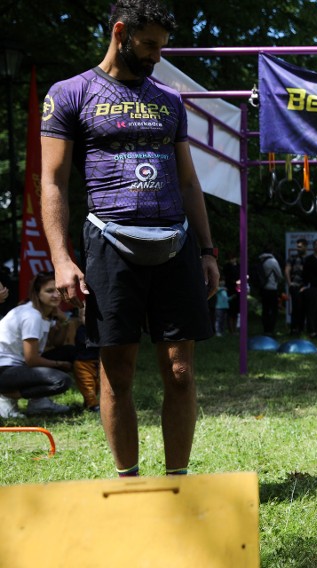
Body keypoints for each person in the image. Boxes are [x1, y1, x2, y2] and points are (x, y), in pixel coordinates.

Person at [40, 0, 218, 477]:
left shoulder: (170, 100)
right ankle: (129, 486)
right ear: (121, 32)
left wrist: (206, 249)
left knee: (180, 373)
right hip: (109, 245)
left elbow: (187, 182)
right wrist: (61, 259)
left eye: (162, 46)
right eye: (149, 45)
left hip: (175, 244)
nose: (156, 56)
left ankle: (177, 486)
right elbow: (52, 182)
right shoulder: (70, 94)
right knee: (116, 376)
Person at [0, 272, 74, 419]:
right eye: (49, 291)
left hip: (18, 366)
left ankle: (39, 402)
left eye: (59, 290)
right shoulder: (31, 316)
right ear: (37, 293)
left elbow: (56, 344)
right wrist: (61, 364)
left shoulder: (43, 314)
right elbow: (32, 359)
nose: (56, 295)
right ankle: (6, 396)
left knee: (69, 352)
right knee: (61, 381)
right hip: (4, 369)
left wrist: (64, 321)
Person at [73, 302, 101, 412]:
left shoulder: (99, 332)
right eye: (85, 316)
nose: (90, 319)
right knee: (87, 384)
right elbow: (87, 344)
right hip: (83, 363)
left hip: (96, 363)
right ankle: (93, 404)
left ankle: (88, 403)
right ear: (80, 318)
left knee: (97, 385)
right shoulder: (81, 331)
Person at [257, 245, 284, 335]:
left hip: (263, 288)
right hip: (272, 288)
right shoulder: (272, 261)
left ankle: (265, 329)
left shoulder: (260, 260)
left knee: (265, 309)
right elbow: (279, 275)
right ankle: (271, 329)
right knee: (273, 310)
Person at [285, 238, 308, 336]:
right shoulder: (292, 258)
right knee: (296, 306)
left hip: (305, 286)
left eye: (300, 246)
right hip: (295, 285)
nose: (298, 248)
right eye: (297, 246)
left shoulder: (308, 259)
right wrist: (290, 283)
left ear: (305, 247)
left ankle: (301, 328)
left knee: (303, 307)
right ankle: (294, 329)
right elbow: (287, 270)